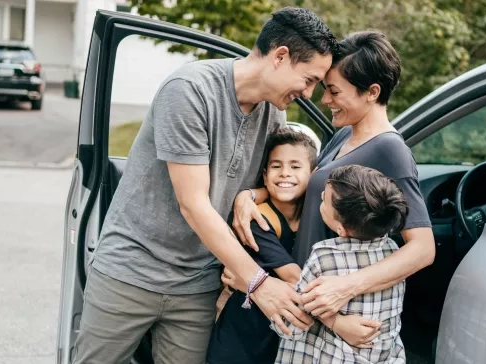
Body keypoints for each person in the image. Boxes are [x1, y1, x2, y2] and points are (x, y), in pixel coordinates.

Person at [72, 7, 339, 364]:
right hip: (131, 271)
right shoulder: (189, 91)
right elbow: (194, 204)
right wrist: (258, 283)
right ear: (280, 57)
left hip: (197, 283)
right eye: (308, 79)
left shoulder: (273, 112)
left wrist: (250, 195)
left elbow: (268, 180)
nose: (308, 93)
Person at [229, 30, 435, 347]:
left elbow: (423, 248)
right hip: (297, 298)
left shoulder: (390, 151)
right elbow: (302, 189)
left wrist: (345, 288)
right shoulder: (344, 135)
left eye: (334, 92)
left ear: (372, 92)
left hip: (332, 311)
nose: (325, 100)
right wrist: (249, 196)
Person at [274, 164, 409, 363]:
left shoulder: (324, 256)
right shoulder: (394, 251)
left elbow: (295, 321)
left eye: (325, 200)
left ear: (341, 228)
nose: (321, 198)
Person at [206, 128, 317, 364]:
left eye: (296, 167)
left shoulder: (316, 215)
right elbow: (294, 277)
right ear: (265, 176)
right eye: (277, 166)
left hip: (281, 341)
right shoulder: (256, 219)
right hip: (241, 339)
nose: (285, 174)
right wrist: (341, 321)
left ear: (313, 174)